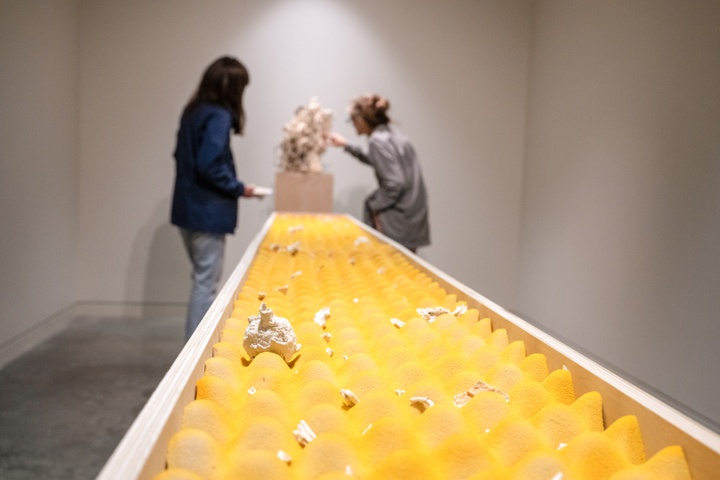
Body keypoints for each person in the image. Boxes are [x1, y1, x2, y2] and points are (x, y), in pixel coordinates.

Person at [171, 56, 256, 340]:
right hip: (207, 211)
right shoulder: (218, 115)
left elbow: (184, 158)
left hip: (187, 209)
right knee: (204, 284)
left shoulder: (193, 111)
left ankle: (192, 350)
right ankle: (194, 352)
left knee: (201, 281)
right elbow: (210, 164)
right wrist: (238, 187)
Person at [327, 93, 430, 252]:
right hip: (413, 214)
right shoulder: (392, 133)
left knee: (389, 266)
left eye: (352, 120)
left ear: (361, 119)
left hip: (398, 217)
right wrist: (346, 144)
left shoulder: (377, 141)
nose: (353, 125)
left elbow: (395, 183)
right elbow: (380, 161)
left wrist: (373, 205)